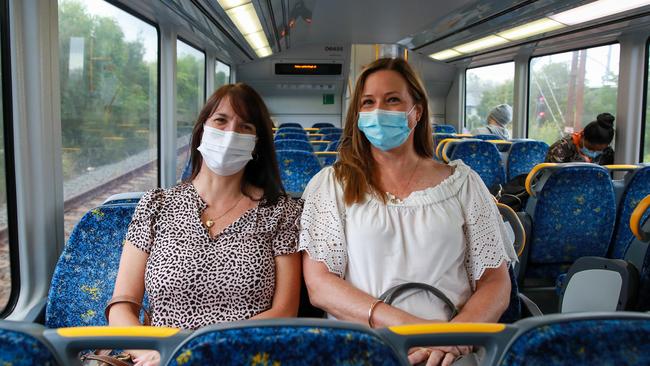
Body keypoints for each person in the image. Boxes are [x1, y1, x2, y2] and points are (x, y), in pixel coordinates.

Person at [299, 58, 516, 366]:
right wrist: (413, 329)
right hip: (363, 348)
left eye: (392, 100)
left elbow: (495, 282)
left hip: (450, 353)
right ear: (358, 116)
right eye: (369, 102)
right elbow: (320, 285)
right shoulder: (332, 185)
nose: (379, 111)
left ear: (417, 111)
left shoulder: (464, 184)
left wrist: (453, 339)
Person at [108, 83, 303, 366]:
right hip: (160, 358)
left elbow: (284, 311)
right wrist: (153, 352)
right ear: (202, 130)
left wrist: (204, 356)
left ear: (257, 143)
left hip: (242, 357)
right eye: (221, 121)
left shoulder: (282, 212)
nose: (230, 133)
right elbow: (122, 306)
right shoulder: (156, 205)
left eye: (245, 126)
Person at [546, 113, 615, 165]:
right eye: (590, 149)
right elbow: (546, 177)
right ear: (582, 135)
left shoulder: (607, 152)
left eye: (599, 151)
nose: (594, 154)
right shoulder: (561, 148)